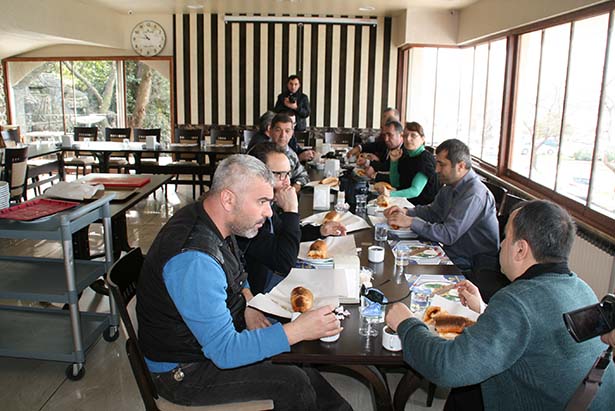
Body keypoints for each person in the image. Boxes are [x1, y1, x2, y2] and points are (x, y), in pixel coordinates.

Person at [136, 154, 351, 410]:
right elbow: (225, 352)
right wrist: (298, 330)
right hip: (183, 372)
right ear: (228, 199)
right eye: (262, 201)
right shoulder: (194, 260)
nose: (269, 212)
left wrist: (249, 303)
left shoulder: (212, 218)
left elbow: (237, 274)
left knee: (295, 355)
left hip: (201, 344)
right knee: (293, 382)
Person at [386, 200, 615, 411]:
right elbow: (536, 336)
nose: (501, 244)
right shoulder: (583, 289)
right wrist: (485, 310)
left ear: (520, 250)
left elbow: (446, 367)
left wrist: (407, 324)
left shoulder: (517, 301)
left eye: (506, 237)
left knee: (464, 390)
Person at [238, 142, 346, 293]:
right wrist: (291, 210)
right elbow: (284, 262)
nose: (287, 182)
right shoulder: (247, 215)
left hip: (271, 281)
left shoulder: (266, 203)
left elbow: (283, 232)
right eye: (279, 174)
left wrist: (320, 231)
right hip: (261, 294)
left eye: (288, 174)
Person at [384, 139, 499, 271]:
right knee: (395, 254)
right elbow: (434, 212)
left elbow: (448, 235)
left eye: (441, 164)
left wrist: (411, 221)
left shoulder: (474, 194)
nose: (436, 169)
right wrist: (406, 212)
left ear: (460, 166)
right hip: (454, 252)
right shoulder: (450, 185)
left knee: (401, 265)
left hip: (473, 264)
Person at [378, 121, 438, 205]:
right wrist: (394, 162)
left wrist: (389, 194)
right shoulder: (406, 156)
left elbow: (415, 191)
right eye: (405, 136)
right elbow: (395, 183)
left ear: (422, 139)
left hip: (422, 207)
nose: (408, 139)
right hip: (406, 203)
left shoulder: (425, 159)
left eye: (413, 135)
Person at [269, 113, 309, 191]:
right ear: (270, 131)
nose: (283, 135)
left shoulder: (291, 154)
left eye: (287, 131)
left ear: (292, 133)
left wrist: (296, 187)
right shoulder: (260, 153)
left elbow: (303, 175)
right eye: (278, 130)